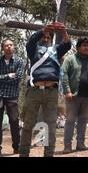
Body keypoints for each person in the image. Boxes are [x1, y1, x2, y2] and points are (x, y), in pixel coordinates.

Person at [19, 22, 72, 157]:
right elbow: (30, 42)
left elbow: (67, 45)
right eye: (44, 36)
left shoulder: (55, 50)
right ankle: (23, 153)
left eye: (49, 37)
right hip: (35, 90)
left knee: (50, 124)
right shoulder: (34, 49)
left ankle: (49, 153)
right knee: (28, 123)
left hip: (51, 91)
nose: (46, 39)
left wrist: (64, 31)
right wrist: (44, 30)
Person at [61, 37, 88, 153]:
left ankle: (81, 144)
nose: (86, 47)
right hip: (73, 96)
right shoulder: (70, 59)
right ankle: (67, 146)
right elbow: (64, 75)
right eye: (84, 45)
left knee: (83, 120)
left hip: (87, 97)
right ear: (78, 47)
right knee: (70, 121)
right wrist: (67, 91)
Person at [0, 39, 25, 156]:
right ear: (2, 48)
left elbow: (18, 78)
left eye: (11, 45)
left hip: (12, 96)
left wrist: (2, 78)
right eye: (6, 45)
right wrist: (8, 75)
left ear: (14, 47)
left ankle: (16, 146)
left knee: (14, 121)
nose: (9, 47)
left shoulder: (19, 61)